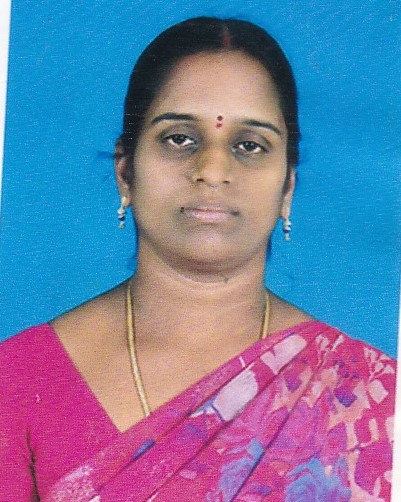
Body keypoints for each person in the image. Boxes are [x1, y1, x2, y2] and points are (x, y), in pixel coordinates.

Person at [0, 16, 396, 501]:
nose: (212, 170)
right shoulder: (18, 379)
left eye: (249, 146)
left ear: (287, 187)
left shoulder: (367, 393)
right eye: (179, 139)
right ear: (125, 171)